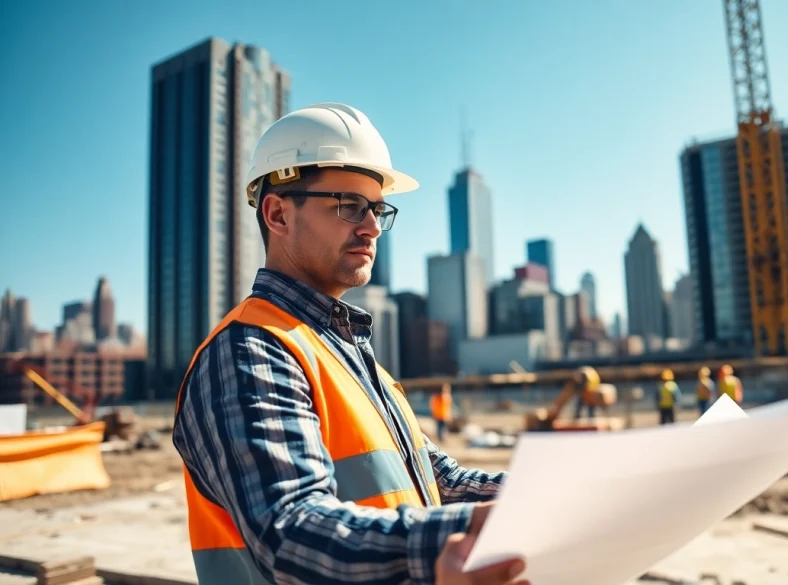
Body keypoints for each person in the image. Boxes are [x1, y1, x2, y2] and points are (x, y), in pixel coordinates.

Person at [171, 103, 526, 585]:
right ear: (277, 213)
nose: (372, 227)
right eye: (349, 206)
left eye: (377, 209)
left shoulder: (352, 358)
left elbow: (437, 482)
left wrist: (537, 496)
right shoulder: (250, 351)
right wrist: (453, 538)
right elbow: (292, 531)